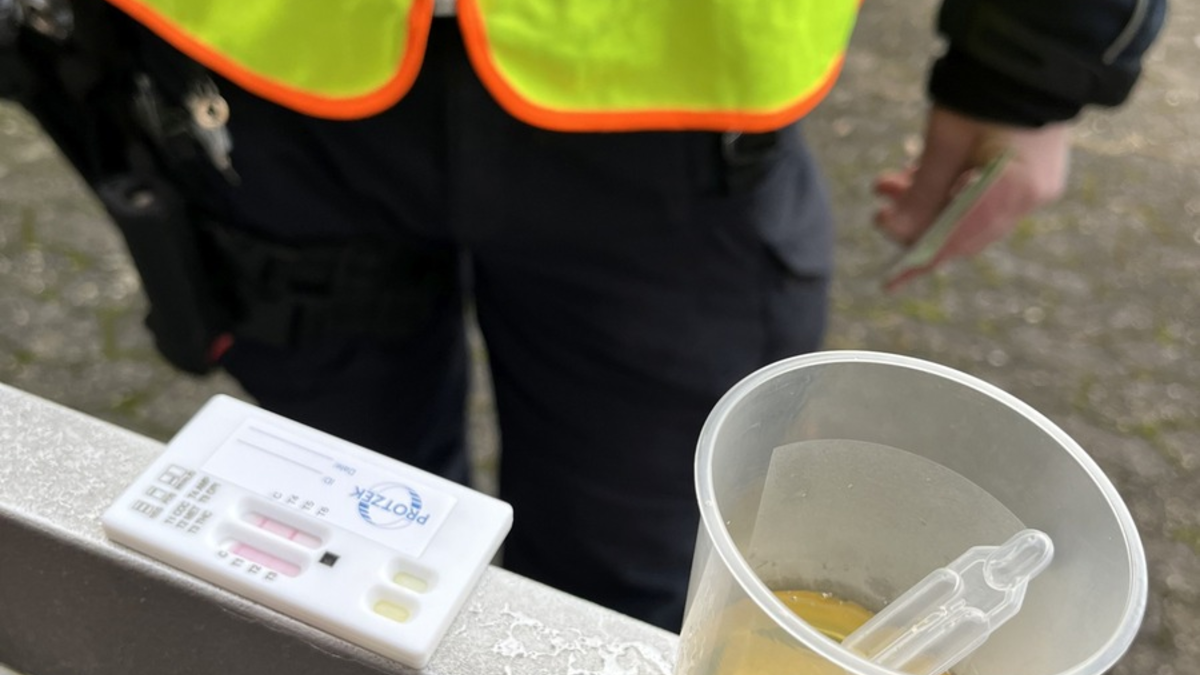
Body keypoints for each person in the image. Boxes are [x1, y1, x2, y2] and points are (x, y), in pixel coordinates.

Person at [1, 0, 1166, 631]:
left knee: (633, 566)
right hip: (258, 67)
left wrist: (1039, 48)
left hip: (672, 84)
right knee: (328, 532)